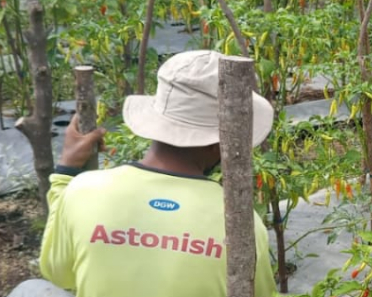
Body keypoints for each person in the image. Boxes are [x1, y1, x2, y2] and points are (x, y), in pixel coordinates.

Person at [29, 50, 277, 297]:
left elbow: (58, 274)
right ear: (220, 141)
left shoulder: (82, 192)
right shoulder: (241, 224)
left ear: (156, 119)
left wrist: (66, 171)